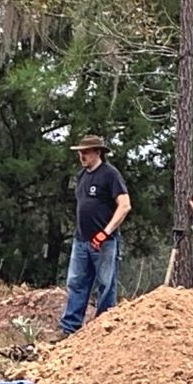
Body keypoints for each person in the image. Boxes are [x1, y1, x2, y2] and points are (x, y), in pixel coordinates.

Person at [59, 134, 131, 335]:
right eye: (80, 152)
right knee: (76, 283)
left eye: (86, 152)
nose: (82, 156)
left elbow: (124, 206)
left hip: (104, 243)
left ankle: (103, 329)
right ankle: (69, 328)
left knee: (106, 284)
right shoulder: (82, 175)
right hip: (81, 240)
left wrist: (105, 232)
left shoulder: (110, 175)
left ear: (97, 152)